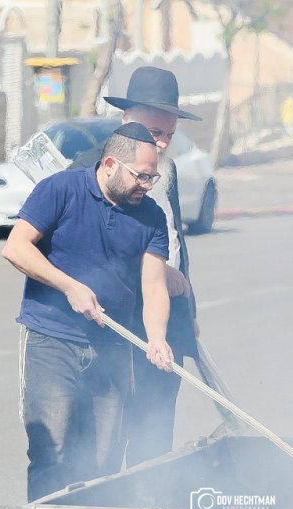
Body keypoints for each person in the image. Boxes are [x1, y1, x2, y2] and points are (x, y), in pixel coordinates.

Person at [2, 122, 174, 509]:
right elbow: (16, 247)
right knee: (53, 451)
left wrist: (157, 338)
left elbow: (153, 285)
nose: (148, 185)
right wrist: (69, 286)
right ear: (111, 163)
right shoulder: (60, 190)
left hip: (113, 349)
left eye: (154, 176)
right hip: (52, 341)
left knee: (103, 459)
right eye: (142, 175)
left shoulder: (151, 216)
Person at [71, 66, 203, 467]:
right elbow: (86, 255)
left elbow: (174, 240)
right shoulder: (89, 169)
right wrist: (162, 275)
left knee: (156, 435)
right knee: (108, 442)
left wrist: (187, 307)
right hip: (116, 325)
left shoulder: (170, 170)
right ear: (126, 119)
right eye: (153, 131)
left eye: (169, 134)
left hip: (168, 320)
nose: (161, 144)